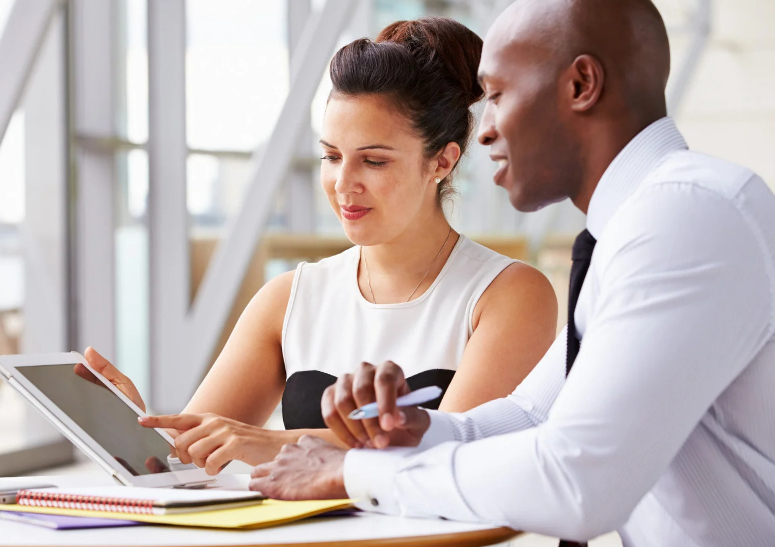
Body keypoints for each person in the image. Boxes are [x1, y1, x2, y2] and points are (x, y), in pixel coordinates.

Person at [247, 1, 775, 546]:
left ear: (581, 85)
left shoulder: (684, 214)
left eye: (498, 95)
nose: (485, 132)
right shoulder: (635, 227)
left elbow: (579, 484)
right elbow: (532, 414)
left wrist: (356, 473)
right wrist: (415, 432)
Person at [83, 17, 557, 475]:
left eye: (373, 161)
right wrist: (134, 425)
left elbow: (456, 452)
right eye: (331, 156)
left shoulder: (509, 294)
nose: (343, 183)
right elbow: (191, 456)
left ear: (442, 162)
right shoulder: (289, 298)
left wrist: (270, 444)